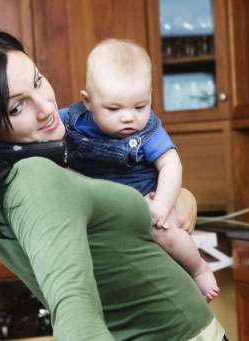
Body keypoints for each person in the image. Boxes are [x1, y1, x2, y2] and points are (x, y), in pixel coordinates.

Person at [0, 26, 226, 340]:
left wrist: (182, 197)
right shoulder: (33, 178)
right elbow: (74, 310)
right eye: (16, 107)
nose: (47, 107)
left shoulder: (27, 170)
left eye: (38, 81)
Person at [61, 39, 219, 301]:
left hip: (144, 201)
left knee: (165, 232)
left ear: (150, 98)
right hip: (103, 209)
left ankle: (199, 269)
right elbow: (43, 126)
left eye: (140, 106)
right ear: (87, 101)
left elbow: (171, 163)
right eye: (113, 108)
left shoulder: (149, 129)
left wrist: (162, 205)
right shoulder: (71, 119)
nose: (128, 117)